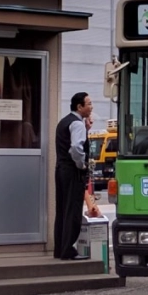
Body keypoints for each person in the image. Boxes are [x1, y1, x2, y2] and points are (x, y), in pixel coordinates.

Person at [54, 92, 98, 260]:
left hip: (61, 169)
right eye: (89, 103)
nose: (91, 107)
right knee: (73, 210)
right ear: (79, 107)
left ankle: (60, 248)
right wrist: (82, 165)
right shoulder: (77, 124)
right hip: (73, 171)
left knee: (62, 209)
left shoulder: (64, 122)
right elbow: (76, 148)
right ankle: (68, 249)